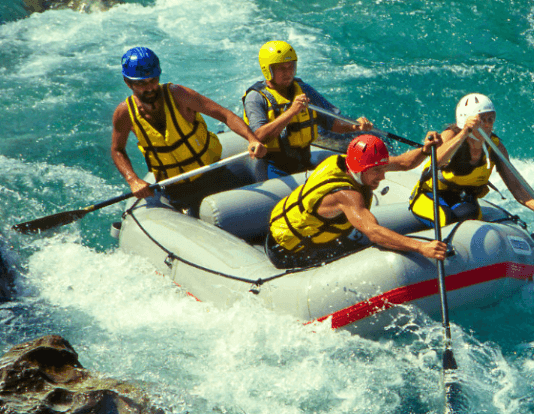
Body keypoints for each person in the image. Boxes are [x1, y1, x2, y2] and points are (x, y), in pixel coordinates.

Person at [111, 46, 267, 214]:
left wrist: (252, 139)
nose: (149, 88)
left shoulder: (179, 95)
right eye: (141, 83)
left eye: (153, 80)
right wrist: (132, 179)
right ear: (128, 83)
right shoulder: (124, 113)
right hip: (176, 188)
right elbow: (117, 149)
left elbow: (224, 115)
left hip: (213, 174)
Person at [266, 133, 448, 269]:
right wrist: (422, 247)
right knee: (367, 255)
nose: (383, 176)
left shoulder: (348, 162)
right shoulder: (347, 196)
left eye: (383, 169)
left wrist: (425, 150)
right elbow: (374, 233)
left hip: (297, 229)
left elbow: (403, 163)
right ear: (360, 169)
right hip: (289, 250)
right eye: (377, 171)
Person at [409, 93, 534, 227]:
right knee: (446, 219)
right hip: (430, 195)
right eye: (481, 120)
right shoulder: (451, 135)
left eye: (490, 119)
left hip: (461, 198)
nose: (487, 124)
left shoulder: (496, 147)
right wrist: (465, 132)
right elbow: (437, 161)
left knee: (470, 217)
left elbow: (516, 186)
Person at [242, 40, 373, 179]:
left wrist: (355, 126)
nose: (288, 73)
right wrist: (292, 112)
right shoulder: (256, 97)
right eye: (281, 68)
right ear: (268, 70)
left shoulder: (304, 89)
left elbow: (332, 123)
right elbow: (258, 137)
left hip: (304, 161)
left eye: (291, 66)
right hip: (273, 167)